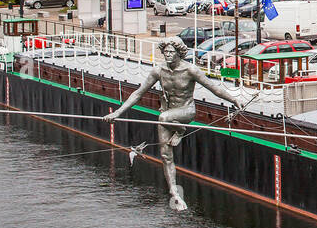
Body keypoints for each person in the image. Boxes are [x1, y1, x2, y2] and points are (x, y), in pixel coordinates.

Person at [103, 36, 245, 210]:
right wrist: (117, 113)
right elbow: (138, 94)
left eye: (171, 52)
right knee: (165, 155)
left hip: (186, 112)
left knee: (162, 118)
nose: (168, 55)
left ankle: (180, 130)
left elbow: (214, 88)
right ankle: (174, 193)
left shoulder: (190, 70)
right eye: (166, 52)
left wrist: (234, 100)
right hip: (168, 114)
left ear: (179, 53)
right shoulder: (158, 71)